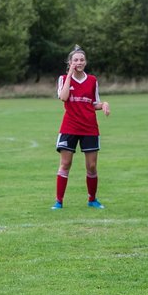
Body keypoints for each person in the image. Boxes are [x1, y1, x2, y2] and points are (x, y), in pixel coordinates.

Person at [52, 46, 109, 210]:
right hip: (69, 127)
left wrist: (104, 104)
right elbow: (63, 97)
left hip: (90, 127)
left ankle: (92, 199)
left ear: (86, 62)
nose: (79, 62)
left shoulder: (92, 80)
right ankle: (59, 201)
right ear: (70, 62)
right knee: (65, 163)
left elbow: (94, 103)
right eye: (75, 60)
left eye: (81, 60)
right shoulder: (63, 78)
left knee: (91, 166)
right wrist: (70, 73)